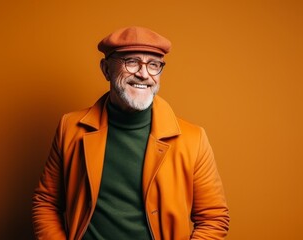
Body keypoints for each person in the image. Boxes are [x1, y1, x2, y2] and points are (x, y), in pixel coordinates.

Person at [32, 26, 230, 240]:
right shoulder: (70, 127)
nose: (144, 74)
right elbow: (46, 202)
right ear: (106, 69)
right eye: (132, 62)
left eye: (154, 65)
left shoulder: (193, 139)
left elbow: (214, 218)